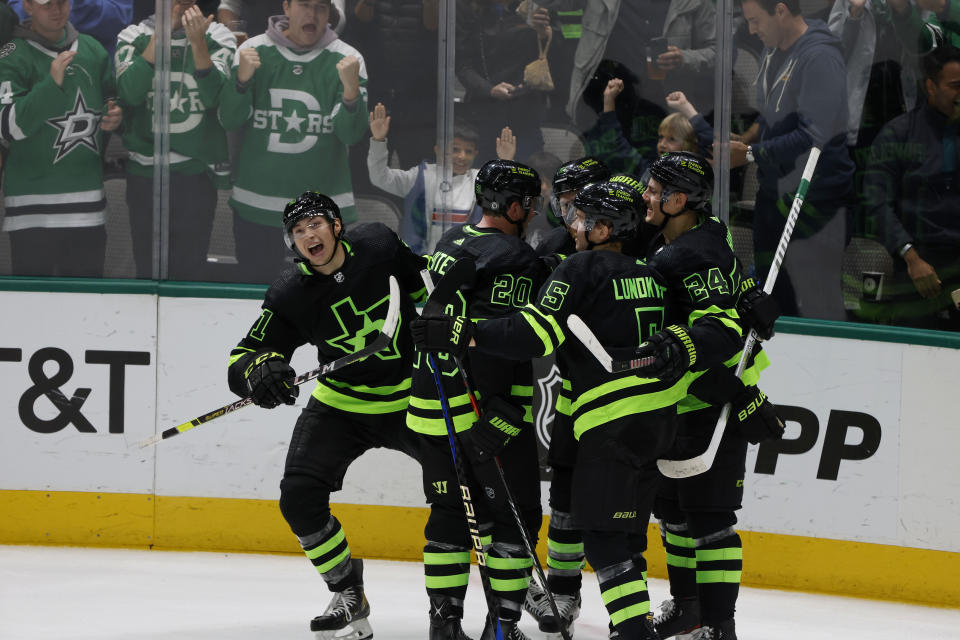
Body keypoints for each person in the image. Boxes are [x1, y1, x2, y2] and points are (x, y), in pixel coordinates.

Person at [413, 180, 689, 639]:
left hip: (611, 420)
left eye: (582, 220)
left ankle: (634, 631)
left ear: (603, 229)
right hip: (660, 420)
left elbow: (535, 334)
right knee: (622, 534)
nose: (572, 226)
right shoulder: (654, 273)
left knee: (602, 541)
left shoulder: (580, 269)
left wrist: (467, 332)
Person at [226, 191, 428, 640]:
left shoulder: (379, 245)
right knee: (298, 497)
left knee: (469, 487)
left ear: (336, 226)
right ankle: (346, 591)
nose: (307, 235)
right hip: (341, 405)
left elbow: (426, 287)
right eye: (298, 231)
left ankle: (504, 590)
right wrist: (261, 371)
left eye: (314, 224)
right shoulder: (291, 294)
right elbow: (241, 358)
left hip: (411, 399)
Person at [406, 159, 551, 640]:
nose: (532, 212)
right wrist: (507, 413)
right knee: (518, 518)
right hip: (483, 412)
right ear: (513, 206)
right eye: (528, 203)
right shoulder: (516, 258)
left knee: (448, 516)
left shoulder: (450, 243)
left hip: (431, 406)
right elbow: (505, 339)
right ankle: (502, 627)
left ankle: (443, 624)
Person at [640, 152, 782, 640]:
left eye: (655, 191)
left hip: (710, 399)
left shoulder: (687, 254)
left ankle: (720, 626)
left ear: (679, 200)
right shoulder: (708, 231)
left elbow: (703, 336)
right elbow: (725, 301)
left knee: (711, 518)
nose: (646, 196)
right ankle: (688, 608)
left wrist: (735, 390)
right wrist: (750, 299)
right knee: (674, 511)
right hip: (682, 401)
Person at [219, 0, 368, 284]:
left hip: (320, 215)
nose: (312, 14)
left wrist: (351, 93)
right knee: (254, 305)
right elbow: (230, 120)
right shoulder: (252, 51)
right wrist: (241, 82)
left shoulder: (348, 59)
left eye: (321, 8)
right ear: (286, 7)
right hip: (256, 206)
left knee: (322, 306)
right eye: (304, 5)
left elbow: (351, 134)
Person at [729, 0, 854, 320]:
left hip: (814, 199)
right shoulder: (774, 50)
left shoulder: (820, 57)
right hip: (774, 191)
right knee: (771, 296)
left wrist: (751, 154)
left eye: (756, 21)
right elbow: (773, 118)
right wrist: (744, 141)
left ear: (781, 11)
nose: (752, 30)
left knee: (813, 300)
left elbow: (815, 135)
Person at [0, 0, 123, 277]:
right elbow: (6, 127)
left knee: (88, 310)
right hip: (31, 211)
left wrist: (114, 115)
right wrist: (50, 84)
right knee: (34, 310)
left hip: (87, 206)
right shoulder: (10, 55)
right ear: (28, 7)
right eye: (46, 4)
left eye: (62, 2)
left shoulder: (92, 49)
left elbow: (109, 98)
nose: (56, 9)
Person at [116, 0, 235, 280]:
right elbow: (130, 93)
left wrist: (198, 45)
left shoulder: (219, 35)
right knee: (147, 269)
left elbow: (215, 99)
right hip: (145, 172)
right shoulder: (132, 35)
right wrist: (162, 34)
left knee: (190, 270)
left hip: (195, 174)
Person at [860, 45, 960, 331]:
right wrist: (911, 257)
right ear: (931, 86)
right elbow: (876, 202)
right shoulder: (898, 134)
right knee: (912, 346)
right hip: (917, 260)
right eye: (955, 87)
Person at [366, 102, 517, 254]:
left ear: (475, 155)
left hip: (465, 263)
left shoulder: (479, 179)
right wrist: (378, 141)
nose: (462, 156)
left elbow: (507, 195)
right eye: (455, 149)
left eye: (468, 151)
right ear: (438, 151)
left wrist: (506, 163)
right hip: (422, 261)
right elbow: (380, 177)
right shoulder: (421, 176)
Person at [565, 0, 717, 126]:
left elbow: (720, 51)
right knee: (604, 160)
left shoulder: (694, 2)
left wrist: (684, 59)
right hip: (604, 102)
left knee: (661, 161)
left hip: (663, 109)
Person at [7, 0, 131, 56]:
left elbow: (120, 18)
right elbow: (15, 15)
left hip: (95, 67)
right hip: (36, 62)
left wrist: (79, 3)